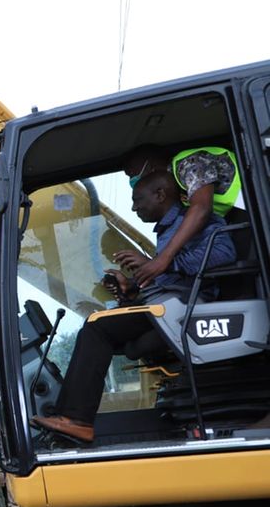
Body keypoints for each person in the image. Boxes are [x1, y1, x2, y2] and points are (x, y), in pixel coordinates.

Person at [32, 170, 237, 442]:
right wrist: (131, 286)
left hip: (185, 306)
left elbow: (224, 254)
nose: (133, 207)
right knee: (101, 327)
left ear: (160, 195)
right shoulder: (167, 231)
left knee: (98, 328)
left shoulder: (198, 222)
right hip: (163, 303)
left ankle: (76, 419)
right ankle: (68, 417)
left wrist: (162, 262)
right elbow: (167, 277)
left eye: (138, 200)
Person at [122, 145, 242, 289]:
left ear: (150, 167)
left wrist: (163, 260)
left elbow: (201, 208)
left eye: (132, 175)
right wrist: (135, 283)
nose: (133, 181)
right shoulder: (180, 197)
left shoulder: (189, 163)